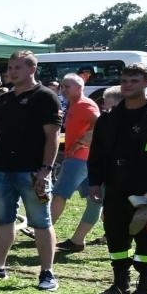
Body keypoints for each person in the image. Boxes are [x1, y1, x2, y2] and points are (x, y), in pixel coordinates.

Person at [86, 63, 147, 294]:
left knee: (145, 238)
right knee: (116, 234)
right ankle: (120, 283)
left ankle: (146, 287)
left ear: (146, 83)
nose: (128, 85)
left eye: (134, 80)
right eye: (125, 80)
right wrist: (95, 182)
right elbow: (96, 153)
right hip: (116, 185)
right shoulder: (109, 118)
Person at [0, 51, 62, 290]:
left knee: (41, 222)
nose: (10, 72)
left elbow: (52, 136)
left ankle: (47, 273)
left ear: (32, 69)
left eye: (16, 68)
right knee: (3, 221)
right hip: (1, 169)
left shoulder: (46, 97)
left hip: (31, 171)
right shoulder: (5, 98)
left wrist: (46, 169)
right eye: (9, 68)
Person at [52, 74, 104, 255]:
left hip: (80, 159)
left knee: (59, 194)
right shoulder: (74, 105)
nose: (63, 89)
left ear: (79, 87)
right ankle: (78, 240)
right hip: (86, 159)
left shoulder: (85, 105)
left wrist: (82, 142)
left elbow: (100, 123)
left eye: (68, 86)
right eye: (62, 86)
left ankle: (44, 231)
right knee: (95, 200)